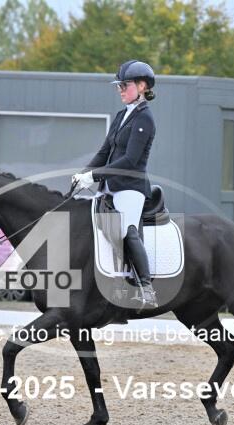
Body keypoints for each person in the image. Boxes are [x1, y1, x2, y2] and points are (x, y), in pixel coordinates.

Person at [72, 59, 158, 309]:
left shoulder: (145, 118)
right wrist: (83, 174)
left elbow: (130, 160)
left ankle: (146, 287)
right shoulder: (122, 115)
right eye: (118, 86)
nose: (120, 90)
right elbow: (104, 152)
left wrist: (95, 176)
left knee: (127, 230)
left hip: (131, 187)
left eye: (125, 85)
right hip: (109, 186)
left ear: (142, 86)